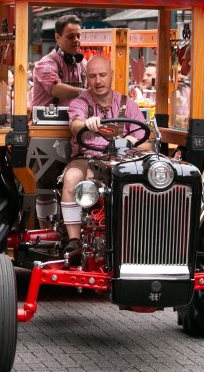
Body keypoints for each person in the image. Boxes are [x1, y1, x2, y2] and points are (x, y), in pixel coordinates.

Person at [60, 56, 151, 259]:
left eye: (102, 75)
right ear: (87, 80)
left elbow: (147, 143)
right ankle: (73, 240)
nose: (98, 81)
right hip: (88, 157)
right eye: (93, 76)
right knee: (72, 177)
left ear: (111, 76)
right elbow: (75, 125)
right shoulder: (81, 103)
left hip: (122, 160)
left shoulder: (128, 104)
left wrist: (130, 140)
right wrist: (86, 124)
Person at [31, 15, 87, 228]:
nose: (76, 41)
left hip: (75, 131)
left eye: (78, 36)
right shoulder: (45, 64)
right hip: (47, 133)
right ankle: (45, 232)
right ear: (57, 37)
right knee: (45, 183)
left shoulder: (82, 65)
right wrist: (86, 92)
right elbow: (55, 88)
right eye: (70, 36)